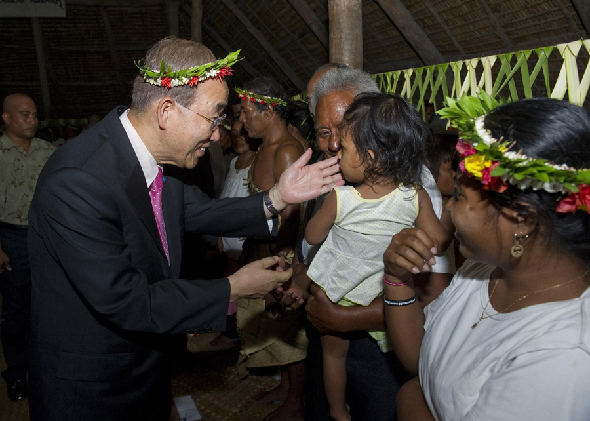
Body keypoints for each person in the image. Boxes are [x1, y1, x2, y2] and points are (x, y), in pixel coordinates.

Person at [26, 37, 343, 421]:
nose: (216, 135)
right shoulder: (79, 181)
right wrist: (233, 288)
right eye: (214, 119)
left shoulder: (154, 161)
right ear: (166, 111)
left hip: (150, 363)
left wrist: (277, 196)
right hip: (94, 385)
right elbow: (129, 301)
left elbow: (204, 212)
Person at [383, 96, 590, 421]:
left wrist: (410, 400)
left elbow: (416, 391)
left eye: (460, 196)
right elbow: (422, 361)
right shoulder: (483, 270)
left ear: (521, 220)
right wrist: (397, 280)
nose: (448, 208)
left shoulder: (563, 355)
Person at [298, 93, 451, 421]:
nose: (337, 151)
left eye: (345, 147)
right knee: (399, 355)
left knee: (333, 356)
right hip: (384, 296)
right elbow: (437, 240)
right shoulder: (415, 194)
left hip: (338, 290)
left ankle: (338, 412)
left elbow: (311, 236)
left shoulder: (341, 198)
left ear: (369, 156)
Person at [235, 77, 307, 421]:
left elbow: (294, 215)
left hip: (281, 251)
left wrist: (282, 265)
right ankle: (285, 387)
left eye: (247, 112)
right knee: (276, 329)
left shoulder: (287, 150)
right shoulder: (264, 148)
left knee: (291, 327)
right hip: (262, 248)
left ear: (268, 112)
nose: (243, 121)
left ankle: (297, 401)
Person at [0, 93, 55, 402]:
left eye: (34, 114)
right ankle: (17, 372)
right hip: (11, 238)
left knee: (47, 306)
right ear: (6, 118)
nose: (32, 120)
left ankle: (44, 367)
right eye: (24, 115)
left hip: (45, 238)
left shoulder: (47, 151)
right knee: (17, 308)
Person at [208, 119, 260, 351]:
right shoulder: (233, 163)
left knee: (243, 291)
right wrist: (219, 235)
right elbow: (225, 200)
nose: (239, 138)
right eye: (235, 133)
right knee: (229, 288)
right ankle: (229, 333)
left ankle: (238, 336)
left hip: (244, 241)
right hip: (228, 238)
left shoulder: (257, 164)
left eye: (244, 134)